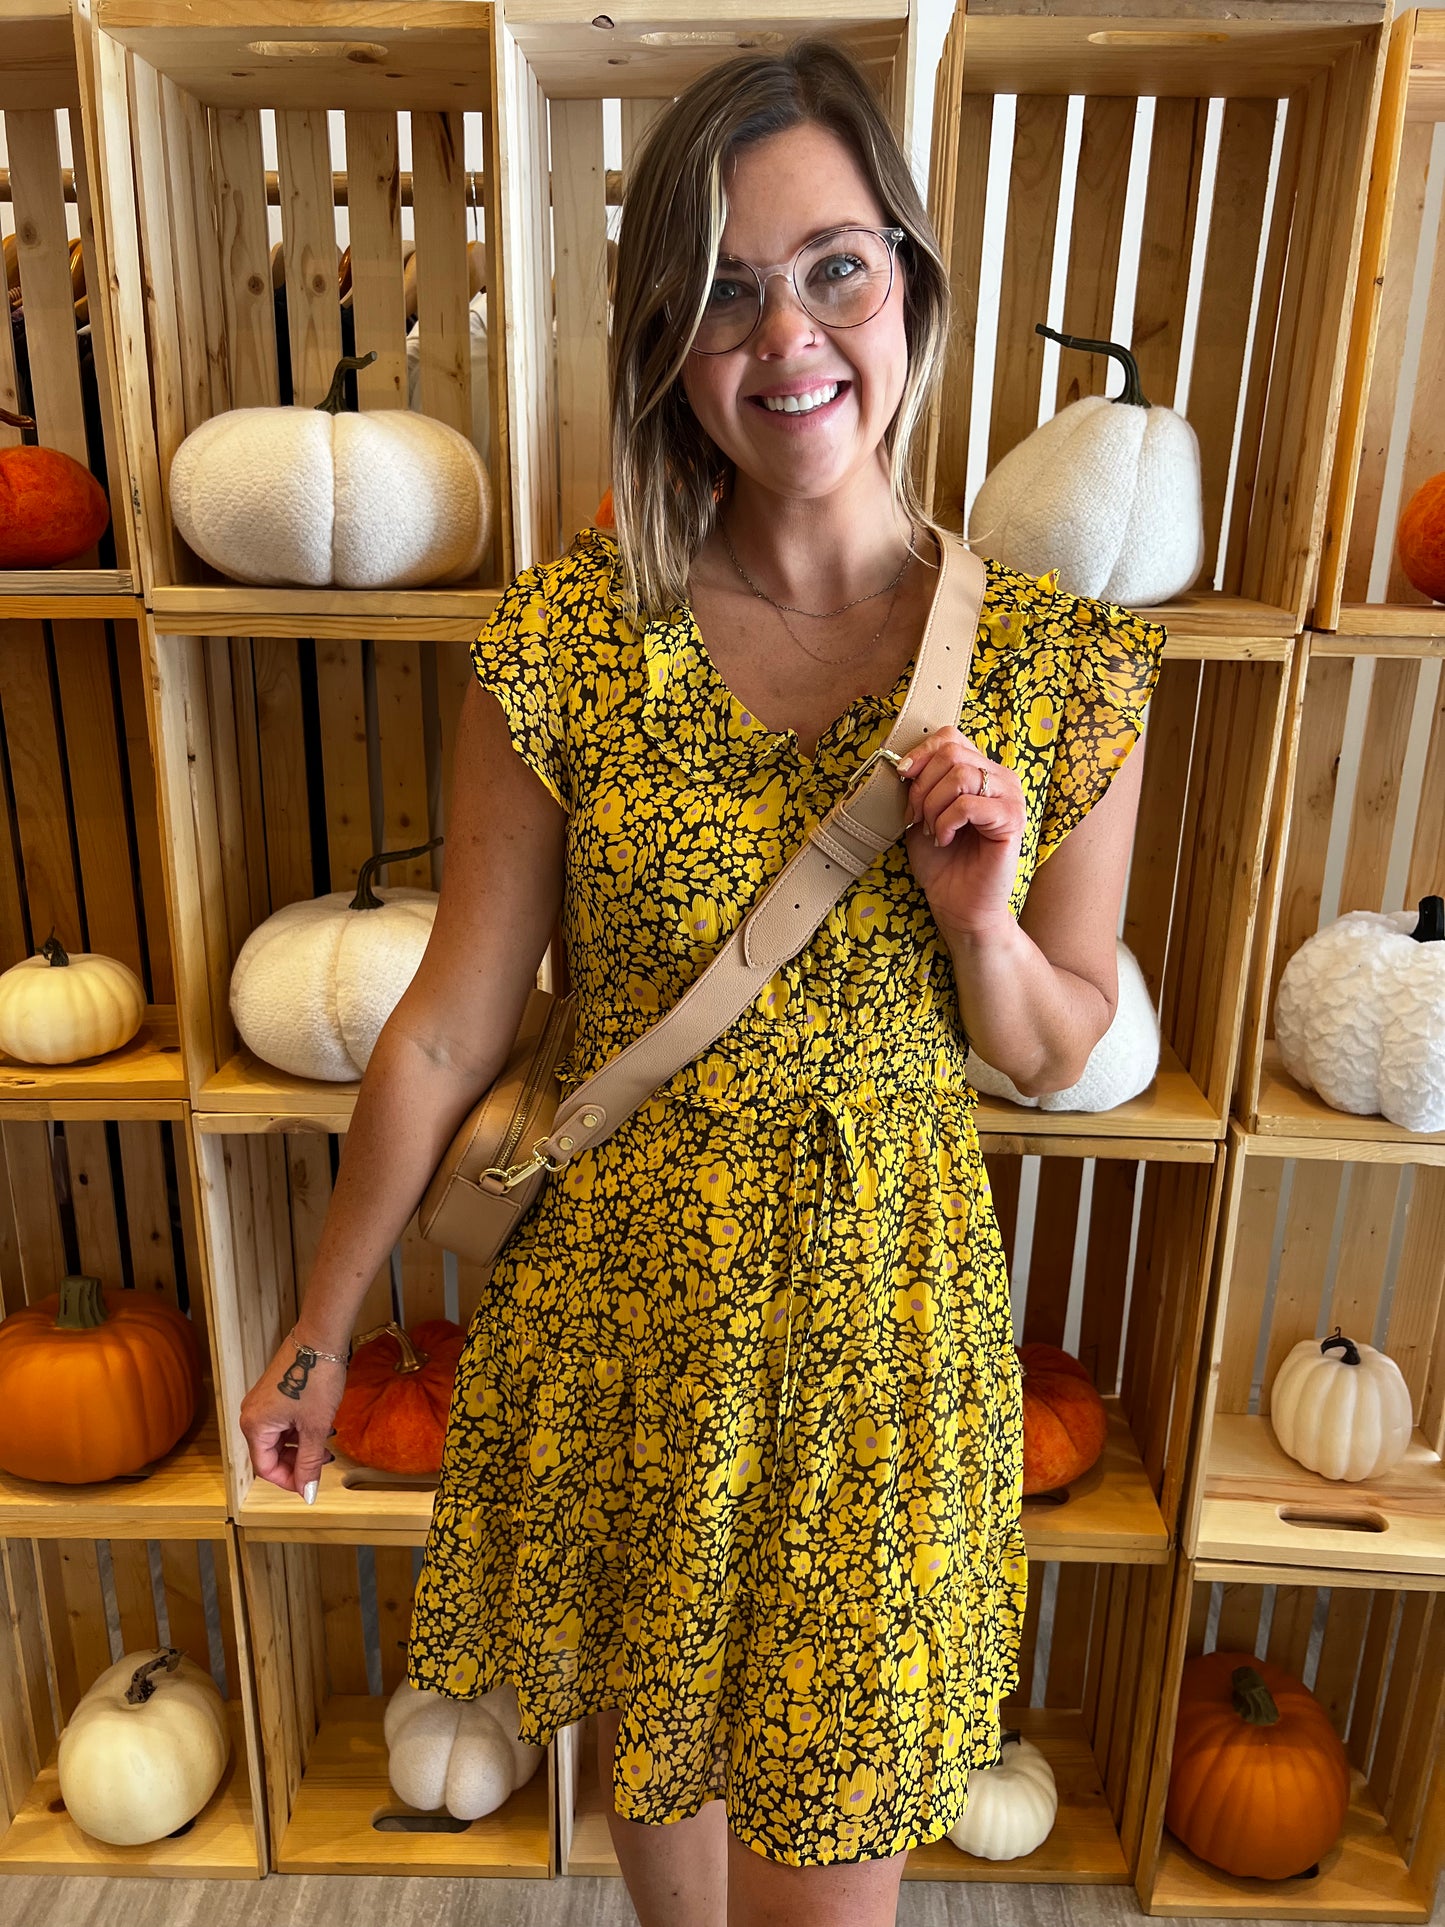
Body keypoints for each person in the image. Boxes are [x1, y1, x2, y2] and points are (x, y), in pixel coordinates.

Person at [240, 37, 1166, 1927]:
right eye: (724, 288)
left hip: (875, 1362)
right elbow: (447, 1021)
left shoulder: (1060, 670)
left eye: (831, 264)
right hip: (624, 1339)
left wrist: (982, 922)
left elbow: (1068, 1037)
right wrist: (321, 1330)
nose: (786, 332)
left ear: (908, 278)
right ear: (669, 338)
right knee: (669, 1872)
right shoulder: (575, 642)